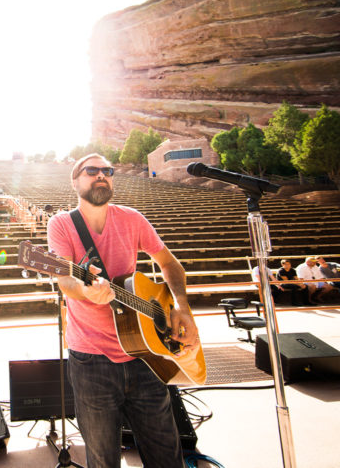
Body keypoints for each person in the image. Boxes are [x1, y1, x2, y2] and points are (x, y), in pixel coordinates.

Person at [47, 153, 199, 468]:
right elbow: (65, 280)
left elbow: (170, 264)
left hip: (145, 354)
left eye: (108, 170)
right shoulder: (61, 224)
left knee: (166, 454)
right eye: (92, 170)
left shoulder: (132, 219)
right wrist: (86, 290)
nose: (101, 175)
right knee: (103, 459)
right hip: (91, 361)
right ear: (75, 180)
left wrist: (182, 308)